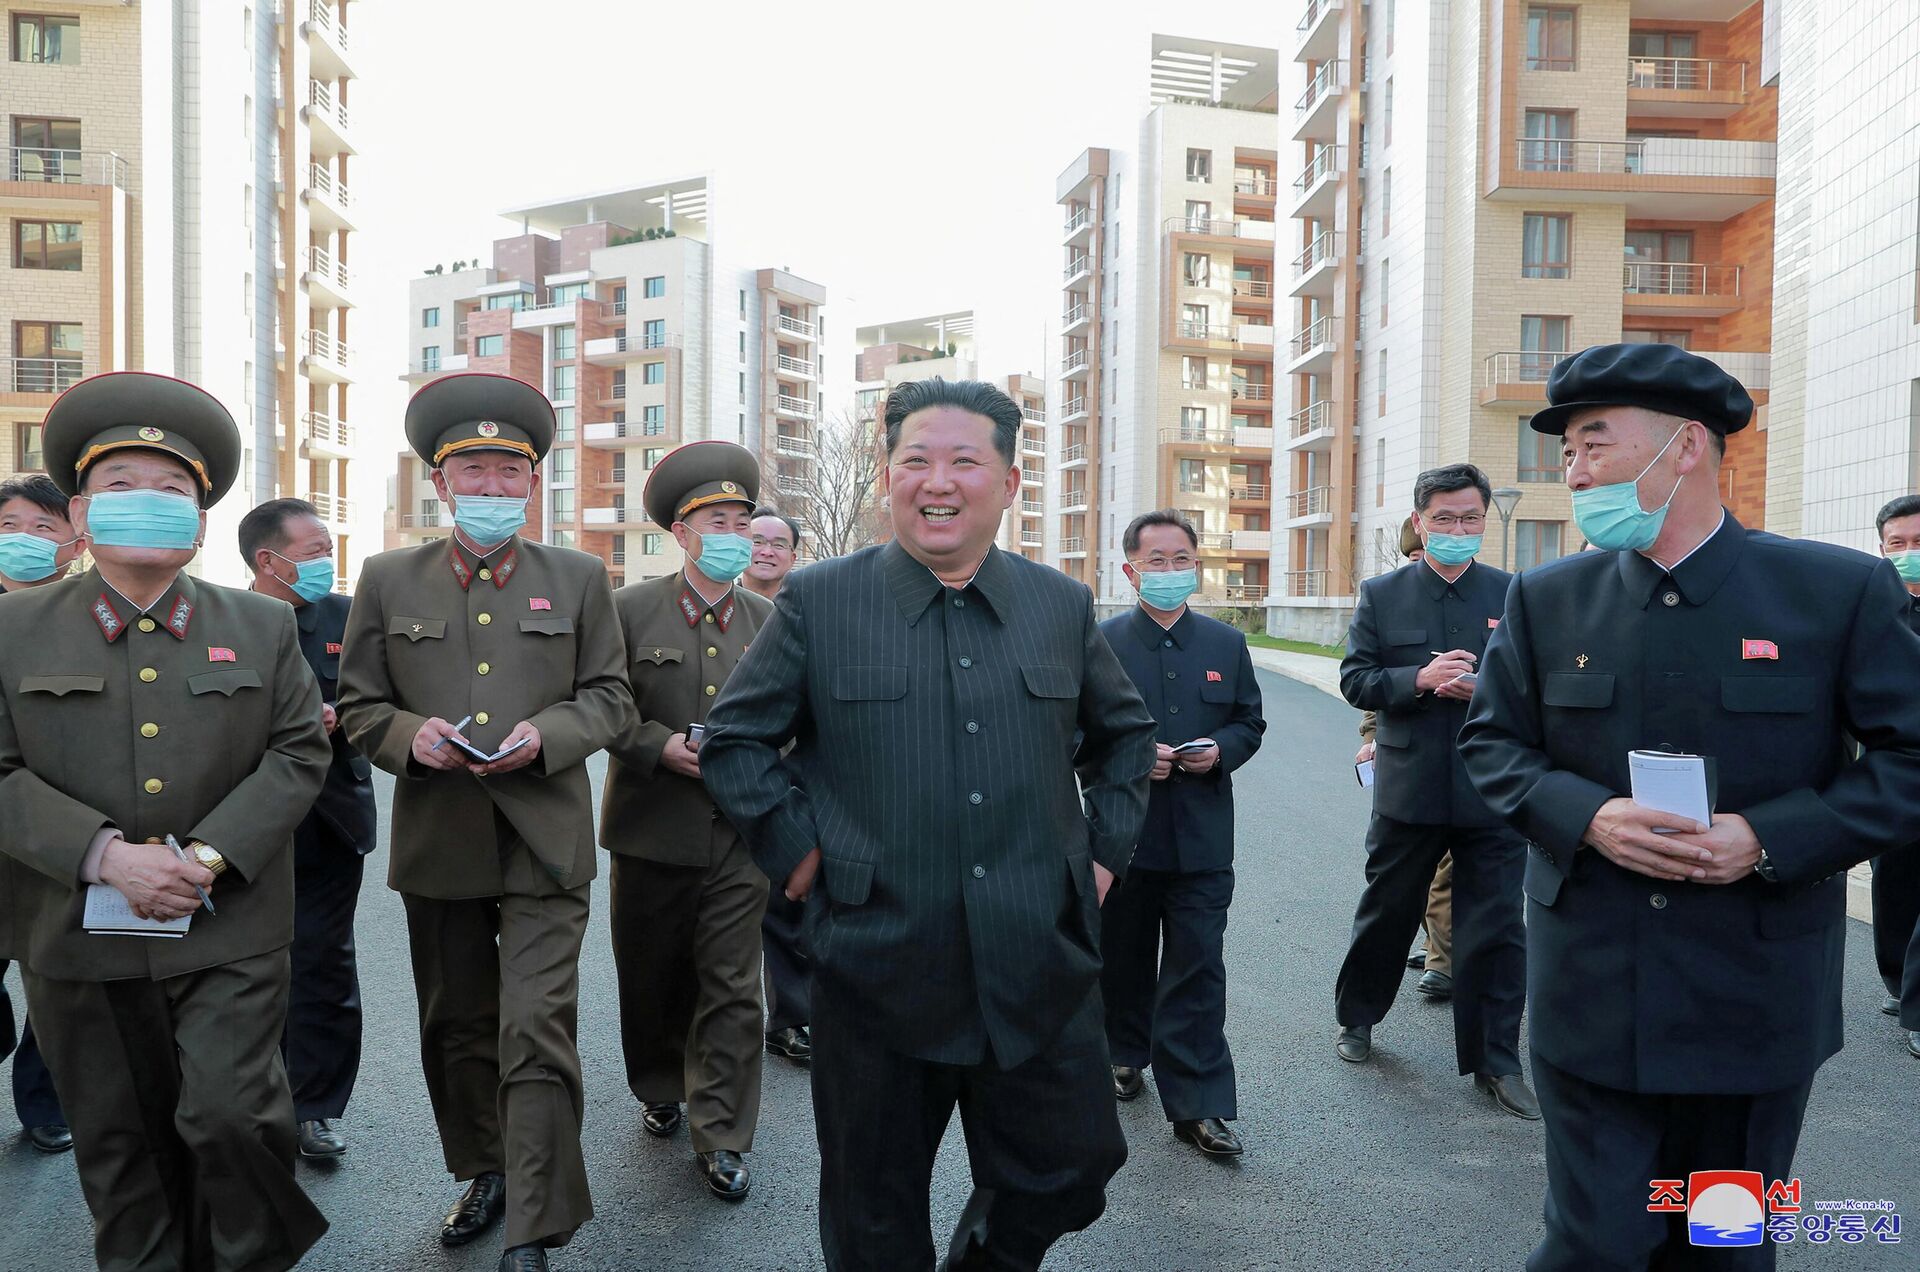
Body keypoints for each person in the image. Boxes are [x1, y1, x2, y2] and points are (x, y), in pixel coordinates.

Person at [1458, 343, 1920, 1269]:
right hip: (1593, 984)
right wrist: (1587, 815)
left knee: (1725, 1244)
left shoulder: (1832, 591)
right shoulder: (1549, 599)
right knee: (1593, 1245)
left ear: (1687, 448)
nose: (1576, 473)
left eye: (1594, 448)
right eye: (1570, 456)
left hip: (1752, 997)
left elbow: (1909, 757)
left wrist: (1770, 836)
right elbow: (1491, 748)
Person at [702, 377, 1157, 1272]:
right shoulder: (820, 600)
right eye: (914, 460)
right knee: (873, 1212)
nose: (936, 480)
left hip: (1036, 954)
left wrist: (1101, 857)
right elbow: (735, 743)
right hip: (878, 960)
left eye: (963, 461)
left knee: (1073, 1165)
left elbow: (1127, 739)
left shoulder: (1058, 605)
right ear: (886, 475)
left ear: (1010, 483)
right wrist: (800, 860)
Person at [0, 372, 332, 1270]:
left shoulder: (258, 626)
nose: (147, 504)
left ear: (201, 517)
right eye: (120, 488)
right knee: (122, 1150)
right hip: (74, 933)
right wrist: (103, 855)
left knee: (233, 1118)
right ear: (77, 514)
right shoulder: (12, 629)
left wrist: (209, 856)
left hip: (227, 924)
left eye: (172, 489)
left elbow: (301, 752)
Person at [336, 373, 632, 1272]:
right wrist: (404, 737)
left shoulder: (580, 577)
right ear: (440, 481)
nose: (493, 488)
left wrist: (547, 734)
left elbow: (612, 699)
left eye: (510, 471)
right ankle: (486, 1170)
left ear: (534, 483)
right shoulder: (388, 579)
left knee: (535, 1024)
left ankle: (536, 1226)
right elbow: (357, 704)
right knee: (457, 1025)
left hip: (546, 838)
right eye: (474, 470)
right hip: (440, 837)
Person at [599, 442, 774, 1202]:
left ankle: (724, 1133)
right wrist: (653, 746)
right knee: (653, 973)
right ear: (681, 530)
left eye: (742, 517)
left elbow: (793, 718)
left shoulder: (771, 619)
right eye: (716, 519)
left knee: (734, 985)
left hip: (740, 832)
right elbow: (601, 705)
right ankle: (659, 1081)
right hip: (651, 827)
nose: (733, 531)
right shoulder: (628, 609)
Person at [1334, 463, 1536, 1121]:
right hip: (1409, 787)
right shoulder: (1382, 594)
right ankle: (1358, 1018)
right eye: (1443, 519)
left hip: (1493, 790)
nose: (1457, 529)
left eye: (1469, 518)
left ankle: (1496, 1062)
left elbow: (1539, 688)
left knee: (1497, 928)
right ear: (1420, 523)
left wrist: (1488, 690)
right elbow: (1357, 681)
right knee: (1388, 910)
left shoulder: (1515, 595)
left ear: (1483, 522)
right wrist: (1416, 680)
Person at [1098, 509, 1265, 1159]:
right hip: (1123, 838)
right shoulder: (1102, 645)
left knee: (1198, 969)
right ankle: (1121, 1052)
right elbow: (1073, 733)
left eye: (1181, 560)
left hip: (1201, 841)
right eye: (1155, 561)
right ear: (1130, 569)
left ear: (1197, 567)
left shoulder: (1226, 645)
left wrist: (1218, 750)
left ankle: (1199, 1105)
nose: (1169, 571)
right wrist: (1133, 758)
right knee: (1124, 957)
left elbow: (1250, 724)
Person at [240, 498, 377, 1158]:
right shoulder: (225, 620)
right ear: (270, 560)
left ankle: (317, 1105)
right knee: (247, 967)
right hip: (247, 824)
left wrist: (340, 717)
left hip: (330, 818)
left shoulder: (346, 619)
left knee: (323, 961)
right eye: (315, 551)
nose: (328, 562)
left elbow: (381, 703)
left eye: (329, 549)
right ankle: (248, 1096)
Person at [0, 473, 83, 1155]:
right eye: (8, 527)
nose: (22, 541)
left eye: (41, 528)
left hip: (64, 838)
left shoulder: (94, 618)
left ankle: (44, 1102)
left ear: (76, 539)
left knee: (58, 984)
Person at [1357, 518, 1455, 998]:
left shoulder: (1498, 594)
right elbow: (1367, 680)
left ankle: (1444, 958)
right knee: (1397, 888)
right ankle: (1362, 1010)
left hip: (1476, 768)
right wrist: (1372, 733)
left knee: (1453, 875)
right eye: (1415, 557)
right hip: (1409, 771)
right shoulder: (1385, 598)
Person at [740, 505, 814, 1063]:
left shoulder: (810, 610)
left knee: (787, 905)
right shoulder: (719, 604)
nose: (765, 550)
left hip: (791, 775)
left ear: (793, 555)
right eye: (755, 539)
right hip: (724, 773)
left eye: (778, 544)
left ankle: (789, 1017)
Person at [1871, 493, 1920, 1059]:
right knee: (1899, 879)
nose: (1909, 553)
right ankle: (1898, 978)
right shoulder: (1876, 609)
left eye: (1918, 542)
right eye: (1897, 544)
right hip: (1891, 771)